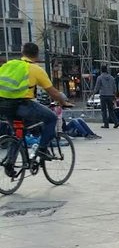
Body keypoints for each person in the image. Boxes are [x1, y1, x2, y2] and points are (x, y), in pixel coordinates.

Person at [0, 43, 74, 175]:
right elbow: (53, 93)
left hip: (5, 106)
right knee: (51, 118)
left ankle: (9, 163)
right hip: (23, 105)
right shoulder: (35, 69)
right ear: (37, 54)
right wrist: (63, 102)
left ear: (22, 52)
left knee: (18, 133)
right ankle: (41, 149)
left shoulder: (9, 65)